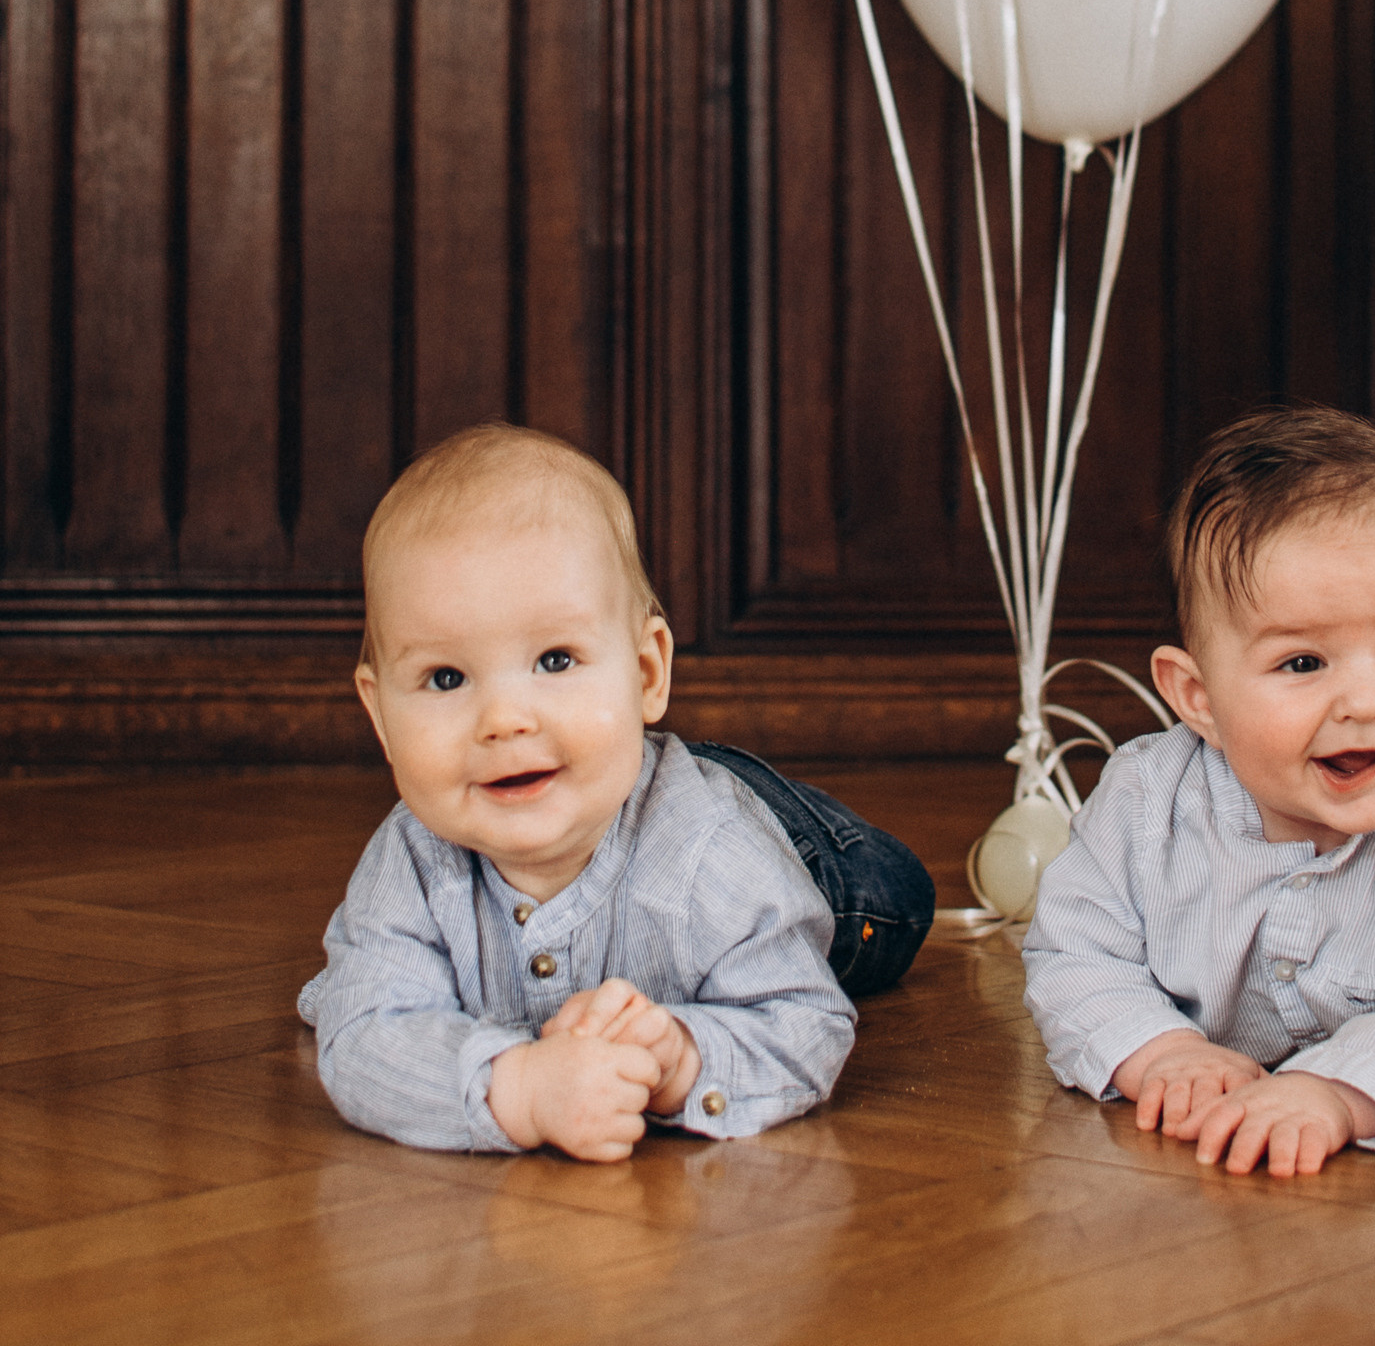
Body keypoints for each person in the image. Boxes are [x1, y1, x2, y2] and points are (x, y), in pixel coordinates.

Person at [299, 423, 932, 1161]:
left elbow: (804, 1023)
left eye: (555, 660)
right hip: (621, 771)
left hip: (814, 857)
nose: (504, 720)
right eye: (446, 678)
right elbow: (363, 1033)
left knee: (892, 903)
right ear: (380, 715)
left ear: (646, 673)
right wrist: (519, 1090)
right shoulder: (409, 861)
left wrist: (682, 1061)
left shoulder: (716, 856)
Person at [1022, 406, 1375, 1177]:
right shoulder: (1146, 804)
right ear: (1198, 699)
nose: (1365, 703)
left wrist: (1340, 1094)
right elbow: (1074, 953)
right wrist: (1160, 1050)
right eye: (1303, 664)